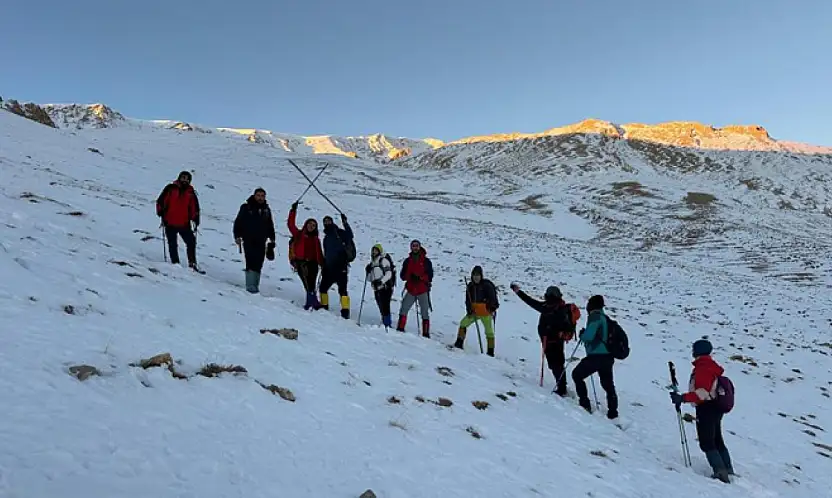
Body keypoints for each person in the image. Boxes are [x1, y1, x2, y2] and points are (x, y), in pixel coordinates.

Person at [670, 339, 734, 483]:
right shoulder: (710, 366)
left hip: (707, 408)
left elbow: (702, 393)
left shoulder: (703, 368)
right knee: (717, 438)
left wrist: (682, 398)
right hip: (716, 407)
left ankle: (720, 473)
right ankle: (727, 469)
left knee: (707, 441)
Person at [510, 283, 579, 396]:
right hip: (554, 341)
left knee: (555, 364)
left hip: (551, 341)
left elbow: (531, 302)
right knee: (558, 363)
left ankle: (562, 388)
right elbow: (532, 302)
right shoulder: (556, 307)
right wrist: (518, 292)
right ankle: (562, 386)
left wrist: (518, 292)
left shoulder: (549, 308)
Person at [572, 295, 619, 419]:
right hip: (608, 356)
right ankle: (613, 413)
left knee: (577, 375)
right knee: (608, 385)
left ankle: (584, 403)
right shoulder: (605, 318)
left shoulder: (595, 317)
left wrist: (583, 334)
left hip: (596, 356)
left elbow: (589, 336)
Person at [156, 170, 201, 272]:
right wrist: (160, 212)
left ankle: (192, 263)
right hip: (169, 221)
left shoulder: (190, 192)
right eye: (183, 177)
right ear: (179, 178)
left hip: (184, 223)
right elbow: (160, 201)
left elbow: (194, 207)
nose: (185, 180)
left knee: (191, 242)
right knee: (172, 244)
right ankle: (175, 263)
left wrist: (196, 219)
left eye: (187, 178)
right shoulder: (170, 188)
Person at [233, 188, 276, 293]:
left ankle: (255, 285)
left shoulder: (266, 209)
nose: (260, 198)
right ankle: (250, 286)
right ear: (254, 196)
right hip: (248, 238)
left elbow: (270, 224)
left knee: (259, 262)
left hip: (261, 240)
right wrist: (237, 236)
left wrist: (272, 238)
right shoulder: (246, 207)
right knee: (250, 261)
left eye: (262, 196)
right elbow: (238, 222)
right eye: (258, 195)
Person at [455, 265, 499, 356]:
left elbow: (494, 299)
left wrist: (490, 308)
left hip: (486, 313)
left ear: (481, 276)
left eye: (478, 275)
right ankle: (459, 342)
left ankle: (490, 352)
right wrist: (469, 309)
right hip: (474, 312)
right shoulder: (470, 286)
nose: (476, 277)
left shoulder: (487, 285)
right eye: (474, 275)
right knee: (463, 324)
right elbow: (468, 300)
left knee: (489, 332)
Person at [288, 201, 324, 310]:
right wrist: (293, 211)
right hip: (301, 262)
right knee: (307, 282)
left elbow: (319, 252)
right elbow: (290, 224)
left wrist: (322, 263)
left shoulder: (316, 239)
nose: (311, 227)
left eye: (313, 225)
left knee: (311, 283)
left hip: (313, 264)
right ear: (306, 224)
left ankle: (311, 302)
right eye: (310, 224)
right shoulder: (298, 234)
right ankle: (313, 302)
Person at [396, 239, 433, 337]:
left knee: (424, 311)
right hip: (411, 289)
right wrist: (410, 276)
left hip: (422, 289)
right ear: (411, 247)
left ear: (419, 247)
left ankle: (425, 333)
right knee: (404, 307)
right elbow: (402, 276)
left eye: (417, 246)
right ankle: (400, 328)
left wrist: (420, 277)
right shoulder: (407, 261)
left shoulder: (426, 261)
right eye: (413, 246)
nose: (415, 247)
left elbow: (430, 276)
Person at [320, 213, 354, 319]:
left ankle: (345, 312)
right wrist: (324, 265)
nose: (327, 223)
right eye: (325, 222)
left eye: (328, 221)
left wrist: (345, 223)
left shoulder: (339, 233)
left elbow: (350, 235)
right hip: (329, 267)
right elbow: (326, 253)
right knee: (323, 288)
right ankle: (324, 307)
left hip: (341, 266)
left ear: (332, 222)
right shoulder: (326, 238)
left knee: (342, 290)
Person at [364, 243, 395, 328]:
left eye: (376, 251)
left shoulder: (383, 261)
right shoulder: (372, 263)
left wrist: (381, 281)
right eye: (373, 251)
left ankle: (387, 324)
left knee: (385, 305)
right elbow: (369, 279)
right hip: (376, 288)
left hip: (385, 287)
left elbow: (389, 273)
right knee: (380, 305)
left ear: (379, 251)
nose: (374, 252)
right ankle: (385, 321)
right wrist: (368, 271)